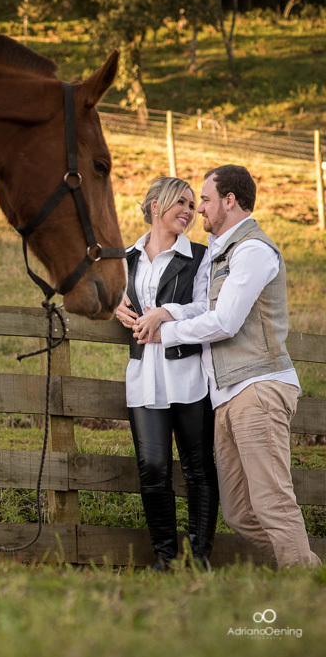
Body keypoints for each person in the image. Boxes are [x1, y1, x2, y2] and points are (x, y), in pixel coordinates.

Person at [132, 165, 321, 568]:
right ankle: (303, 572)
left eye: (204, 199)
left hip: (259, 387)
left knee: (271, 500)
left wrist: (165, 332)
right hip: (227, 395)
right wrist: (153, 310)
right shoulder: (223, 251)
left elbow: (225, 321)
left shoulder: (253, 250)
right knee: (238, 512)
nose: (199, 208)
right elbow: (203, 305)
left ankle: (305, 584)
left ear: (229, 201)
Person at [115, 177, 216, 569]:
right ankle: (165, 559)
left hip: (188, 376)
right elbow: (109, 296)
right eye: (182, 203)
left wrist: (166, 312)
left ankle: (199, 559)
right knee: (152, 469)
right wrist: (115, 308)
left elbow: (207, 307)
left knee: (197, 468)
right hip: (143, 377)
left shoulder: (200, 256)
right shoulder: (125, 258)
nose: (189, 212)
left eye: (193, 205)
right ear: (156, 205)